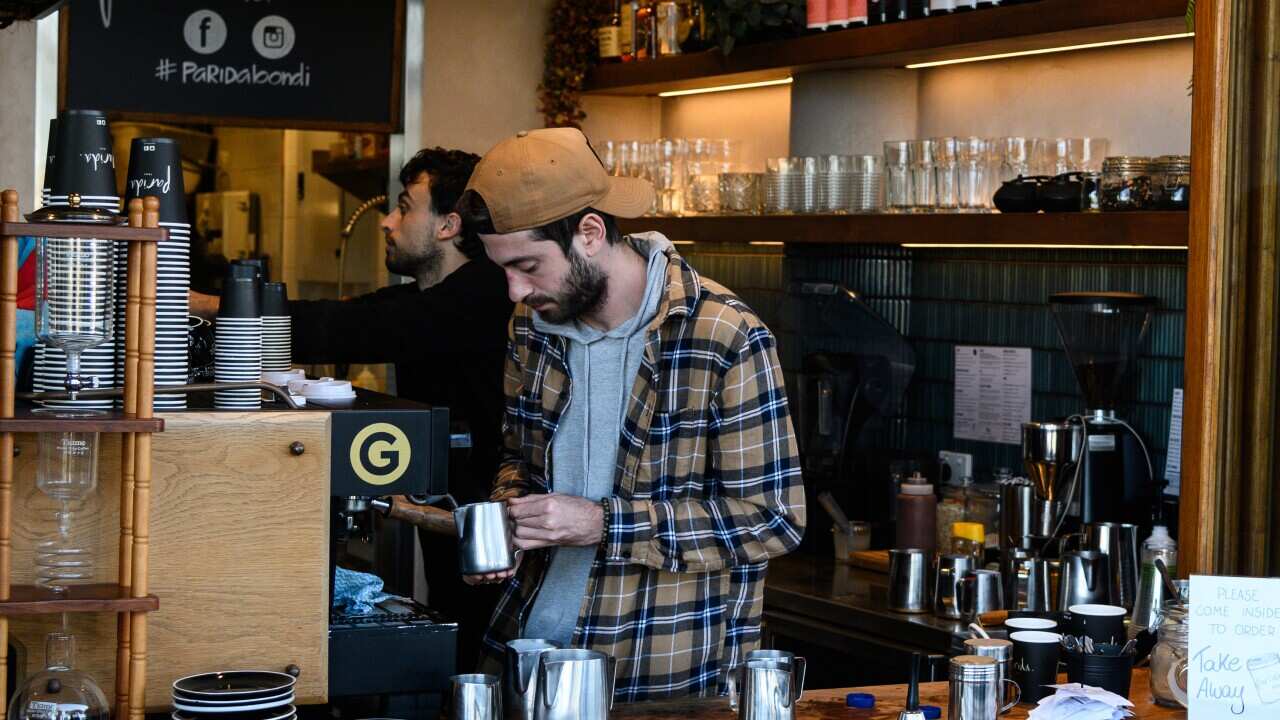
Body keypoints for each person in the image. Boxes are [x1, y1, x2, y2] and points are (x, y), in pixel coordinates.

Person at [456, 128, 806, 701]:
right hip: (526, 658)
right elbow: (521, 458)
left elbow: (772, 519)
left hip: (660, 674)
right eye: (504, 271)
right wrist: (507, 523)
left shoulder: (723, 336)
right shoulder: (530, 329)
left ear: (589, 233)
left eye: (528, 265)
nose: (515, 290)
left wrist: (602, 523)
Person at [191, 147, 513, 672]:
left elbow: (353, 327)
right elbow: (358, 314)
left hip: (494, 522)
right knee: (455, 643)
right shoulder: (427, 297)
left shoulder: (479, 295)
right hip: (447, 514)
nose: (387, 222)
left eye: (405, 207)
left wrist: (209, 306)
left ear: (448, 225)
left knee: (480, 656)